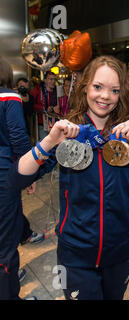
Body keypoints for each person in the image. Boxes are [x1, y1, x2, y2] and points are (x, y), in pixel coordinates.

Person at [12, 56, 129, 300]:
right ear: (85, 86)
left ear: (122, 94)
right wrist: (50, 140)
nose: (105, 96)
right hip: (75, 254)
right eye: (98, 87)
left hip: (119, 250)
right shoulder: (69, 132)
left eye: (114, 90)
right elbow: (17, 180)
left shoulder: (127, 134)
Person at [0, 56, 35, 299]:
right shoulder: (9, 98)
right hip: (4, 175)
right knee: (5, 243)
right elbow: (20, 140)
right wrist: (29, 175)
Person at [31, 71, 59, 140]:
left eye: (54, 79)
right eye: (50, 79)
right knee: (44, 145)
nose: (53, 81)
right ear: (45, 80)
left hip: (55, 123)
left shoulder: (57, 90)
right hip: (42, 124)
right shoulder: (37, 90)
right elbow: (31, 104)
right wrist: (44, 108)